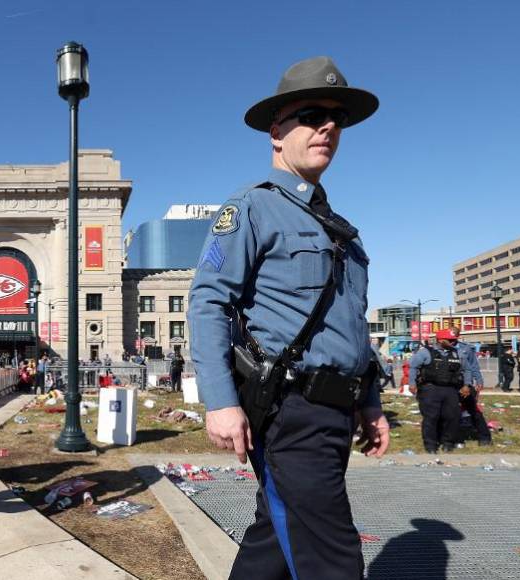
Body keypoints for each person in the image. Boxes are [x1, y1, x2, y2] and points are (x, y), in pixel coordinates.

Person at [188, 56, 387, 580]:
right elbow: (208, 301)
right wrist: (220, 402)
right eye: (311, 114)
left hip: (334, 412)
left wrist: (369, 402)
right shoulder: (251, 209)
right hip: (290, 411)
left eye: (336, 118)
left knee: (274, 541)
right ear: (277, 131)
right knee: (332, 559)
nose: (327, 126)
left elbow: (352, 329)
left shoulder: (342, 230)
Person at [409, 329, 464, 453]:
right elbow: (413, 366)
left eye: (454, 340)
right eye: (450, 340)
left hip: (451, 389)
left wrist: (467, 384)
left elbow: (467, 369)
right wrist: (412, 383)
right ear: (440, 340)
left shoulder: (457, 353)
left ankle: (448, 442)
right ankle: (430, 445)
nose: (453, 343)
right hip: (430, 388)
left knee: (452, 416)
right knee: (431, 417)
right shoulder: (426, 352)